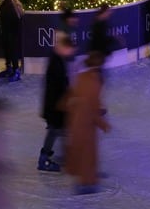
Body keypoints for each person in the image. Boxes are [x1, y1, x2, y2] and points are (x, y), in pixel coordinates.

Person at [65, 49, 111, 195]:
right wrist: (103, 123)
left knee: (88, 152)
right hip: (84, 124)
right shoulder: (92, 82)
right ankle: (86, 182)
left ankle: (89, 178)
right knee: (87, 153)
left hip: (79, 121)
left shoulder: (84, 77)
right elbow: (89, 107)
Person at [38, 32, 74, 172]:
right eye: (69, 49)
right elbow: (59, 86)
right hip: (55, 107)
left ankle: (61, 156)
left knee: (59, 131)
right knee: (55, 131)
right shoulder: (56, 62)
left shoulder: (57, 58)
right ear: (63, 47)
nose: (70, 52)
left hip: (55, 106)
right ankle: (44, 159)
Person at [0, 0, 24, 81]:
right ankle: (9, 68)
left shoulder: (9, 4)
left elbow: (10, 20)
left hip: (11, 33)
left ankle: (15, 71)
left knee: (12, 51)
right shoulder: (9, 3)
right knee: (8, 50)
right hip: (8, 33)